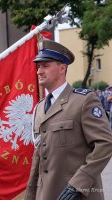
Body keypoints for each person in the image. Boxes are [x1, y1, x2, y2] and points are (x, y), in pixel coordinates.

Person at [24, 39, 112, 200]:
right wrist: (30, 194)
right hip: (45, 194)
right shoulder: (39, 108)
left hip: (77, 194)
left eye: (45, 66)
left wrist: (78, 184)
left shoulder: (83, 101)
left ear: (62, 68)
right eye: (38, 66)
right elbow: (38, 156)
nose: (39, 71)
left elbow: (105, 144)